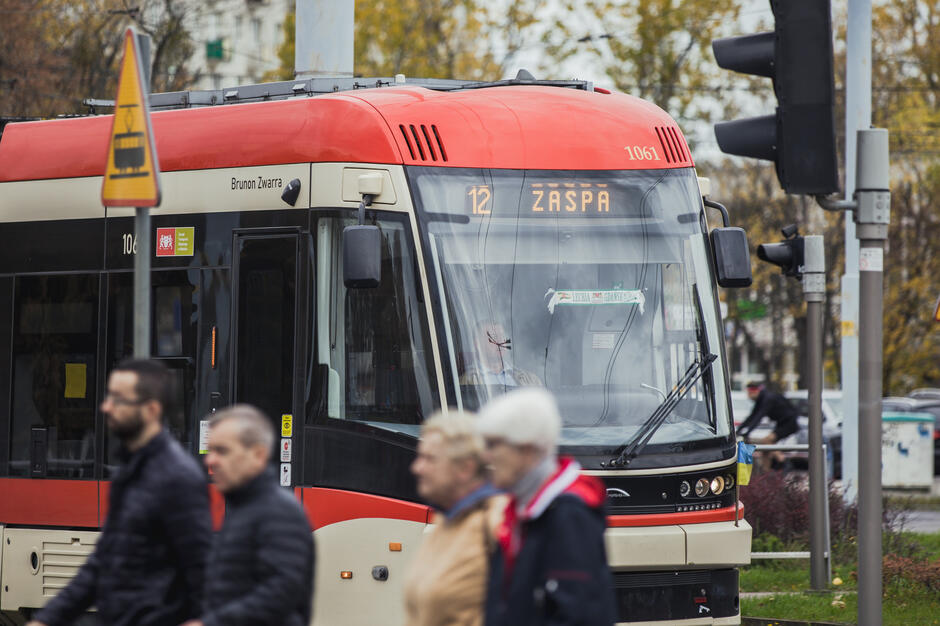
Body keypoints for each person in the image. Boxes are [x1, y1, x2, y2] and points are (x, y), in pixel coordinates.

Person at [28, 359, 211, 626]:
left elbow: (201, 567)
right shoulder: (128, 471)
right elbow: (102, 564)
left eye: (118, 399)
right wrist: (46, 619)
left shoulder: (177, 478)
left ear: (150, 410)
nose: (106, 407)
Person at [476, 388, 615, 626]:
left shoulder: (568, 515)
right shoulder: (525, 509)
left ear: (527, 449)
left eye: (494, 444)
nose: (487, 456)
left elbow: (576, 616)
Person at [181, 405, 313, 626]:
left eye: (222, 451)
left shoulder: (279, 512)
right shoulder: (243, 509)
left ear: (258, 455)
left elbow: (279, 596)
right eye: (210, 450)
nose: (210, 461)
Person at [403, 412, 506, 626]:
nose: (417, 468)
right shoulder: (445, 521)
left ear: (465, 468)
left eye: (429, 459)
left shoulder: (497, 523)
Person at [737, 381, 799, 471]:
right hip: (782, 423)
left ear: (756, 391)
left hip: (789, 423)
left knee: (766, 441)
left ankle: (783, 460)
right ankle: (766, 471)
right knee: (765, 448)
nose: (749, 396)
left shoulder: (767, 398)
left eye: (750, 393)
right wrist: (739, 430)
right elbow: (752, 416)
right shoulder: (762, 398)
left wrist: (747, 432)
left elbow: (758, 417)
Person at [460, 321, 541, 387]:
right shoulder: (466, 382)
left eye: (502, 335)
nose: (501, 340)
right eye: (494, 337)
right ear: (477, 344)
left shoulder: (531, 380)